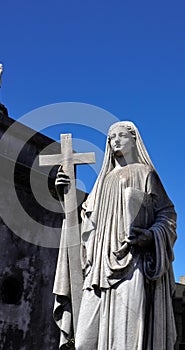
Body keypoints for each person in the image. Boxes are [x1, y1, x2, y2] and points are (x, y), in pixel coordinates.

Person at [53, 121, 177, 350]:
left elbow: (167, 214)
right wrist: (66, 197)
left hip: (132, 261)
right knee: (83, 342)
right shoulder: (103, 180)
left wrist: (151, 236)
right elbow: (86, 225)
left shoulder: (145, 173)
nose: (115, 140)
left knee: (127, 337)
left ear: (134, 140)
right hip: (98, 267)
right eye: (111, 137)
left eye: (121, 135)